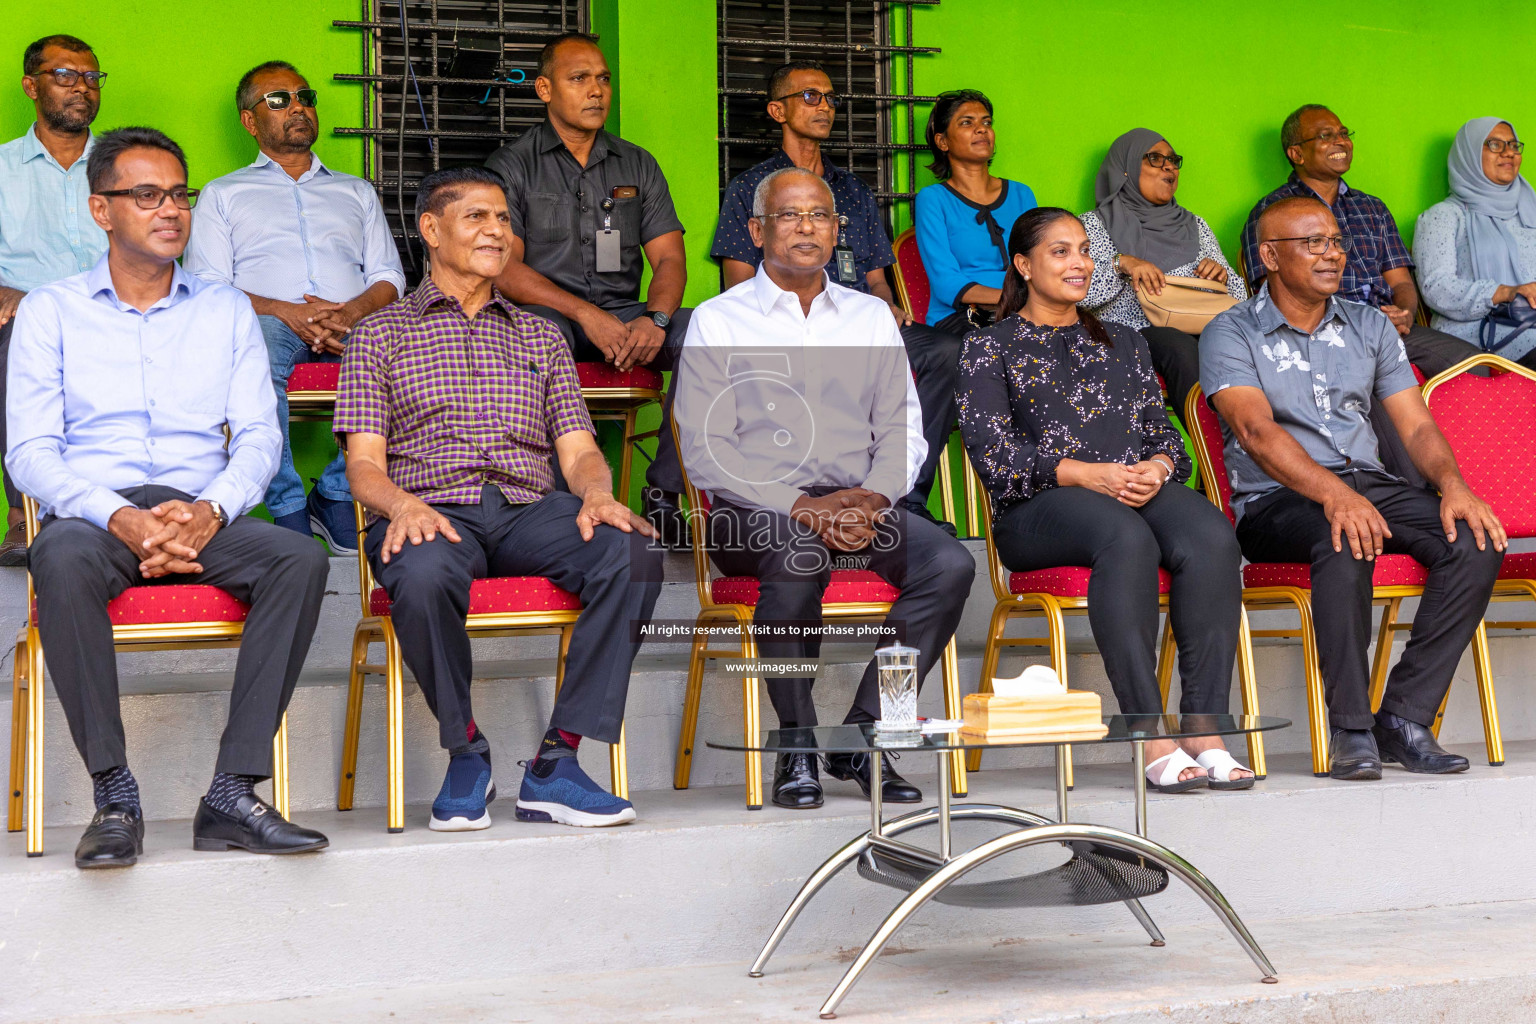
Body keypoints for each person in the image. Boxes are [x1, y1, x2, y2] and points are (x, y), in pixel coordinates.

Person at [7, 127, 331, 868]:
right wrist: (116, 514)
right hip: (96, 510)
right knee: (58, 559)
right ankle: (115, 795)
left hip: (197, 508)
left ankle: (232, 793)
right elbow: (29, 451)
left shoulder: (226, 311)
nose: (171, 210)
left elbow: (257, 436)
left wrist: (212, 509)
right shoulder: (52, 312)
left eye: (180, 194)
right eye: (147, 195)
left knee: (299, 559)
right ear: (101, 210)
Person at [334, 166, 663, 832]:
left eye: (503, 220)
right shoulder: (380, 335)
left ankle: (557, 762)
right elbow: (363, 467)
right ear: (431, 229)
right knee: (422, 576)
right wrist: (401, 506)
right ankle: (465, 751)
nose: (495, 231)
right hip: (429, 511)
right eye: (477, 217)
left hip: (524, 511)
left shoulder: (540, 334)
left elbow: (578, 450)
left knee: (631, 554)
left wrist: (597, 493)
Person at [676, 166, 976, 810]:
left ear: (838, 231)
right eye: (789, 215)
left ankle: (869, 729)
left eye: (819, 215)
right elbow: (705, 450)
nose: (806, 226)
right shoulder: (719, 321)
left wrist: (873, 498)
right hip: (756, 509)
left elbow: (902, 425)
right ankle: (798, 742)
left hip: (857, 501)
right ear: (757, 231)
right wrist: (802, 509)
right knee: (795, 554)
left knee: (947, 563)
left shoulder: (868, 317)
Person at [1203, 196, 1506, 781]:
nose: (1333, 254)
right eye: (1313, 242)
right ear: (1269, 255)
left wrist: (1454, 486)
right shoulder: (1231, 330)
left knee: (1475, 538)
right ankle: (1351, 727)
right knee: (1345, 535)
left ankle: (1404, 717)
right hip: (1275, 500)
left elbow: (1414, 423)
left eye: (1337, 241)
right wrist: (1332, 495)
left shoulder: (1369, 325)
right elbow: (1255, 431)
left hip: (1369, 485)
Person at [958, 207, 1252, 792]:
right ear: (1024, 264)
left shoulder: (1124, 341)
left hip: (1128, 492)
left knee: (1212, 535)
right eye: (1060, 251)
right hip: (1036, 512)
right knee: (1125, 535)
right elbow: (997, 461)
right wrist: (1082, 474)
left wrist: (1159, 465)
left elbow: (1165, 432)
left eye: (1084, 251)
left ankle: (1203, 725)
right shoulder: (989, 348)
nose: (1080, 263)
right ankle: (1148, 729)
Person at [712, 60, 959, 535]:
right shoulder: (753, 189)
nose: (824, 106)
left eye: (830, 98)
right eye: (810, 96)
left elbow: (877, 279)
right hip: (785, 324)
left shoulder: (854, 190)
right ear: (776, 110)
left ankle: (901, 497)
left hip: (860, 325)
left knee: (945, 351)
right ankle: (802, 497)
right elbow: (737, 282)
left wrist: (885, 304)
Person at [185, 61, 405, 555]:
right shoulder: (224, 194)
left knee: (409, 349)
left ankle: (335, 495)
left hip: (353, 323)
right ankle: (285, 507)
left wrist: (349, 314)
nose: (298, 107)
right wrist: (287, 312)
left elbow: (390, 277)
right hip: (267, 324)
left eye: (304, 96)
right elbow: (205, 284)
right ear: (250, 121)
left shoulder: (355, 191)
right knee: (256, 347)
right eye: (279, 100)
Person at [484, 32, 691, 547]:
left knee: (705, 333)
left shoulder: (637, 164)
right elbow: (505, 270)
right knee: (537, 331)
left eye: (603, 78)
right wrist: (585, 315)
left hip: (626, 315)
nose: (596, 90)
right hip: (546, 313)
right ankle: (555, 506)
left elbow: (668, 257)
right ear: (545, 89)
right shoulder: (512, 165)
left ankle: (665, 494)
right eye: (580, 79)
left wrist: (657, 319)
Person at [1241, 105, 1479, 380]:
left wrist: (1404, 314)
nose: (1341, 141)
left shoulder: (1372, 208)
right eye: (1326, 136)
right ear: (1296, 153)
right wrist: (1358, 324)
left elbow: (1401, 282)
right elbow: (1272, 294)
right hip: (1320, 337)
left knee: (1475, 365)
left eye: (1343, 133)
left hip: (1388, 329)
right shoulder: (1272, 212)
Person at [0, 34, 110, 566]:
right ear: (30, 86)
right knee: (18, 340)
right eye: (65, 76)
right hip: (25, 315)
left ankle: (144, 502)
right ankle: (26, 512)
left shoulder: (123, 165)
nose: (82, 88)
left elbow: (162, 247)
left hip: (116, 306)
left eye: (91, 77)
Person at [1081, 128, 1246, 419]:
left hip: (1201, 325)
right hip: (1129, 334)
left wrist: (1222, 275)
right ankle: (1214, 452)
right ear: (1126, 169)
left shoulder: (1193, 224)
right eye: (1155, 159)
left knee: (1237, 343)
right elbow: (1080, 294)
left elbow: (1240, 299)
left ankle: (1250, 443)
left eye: (1172, 160)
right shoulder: (1092, 226)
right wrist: (1122, 264)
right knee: (1176, 344)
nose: (1169, 166)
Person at [1414, 118, 1536, 365]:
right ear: (1467, 154)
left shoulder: (1530, 210)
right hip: (1476, 330)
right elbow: (1436, 288)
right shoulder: (1443, 216)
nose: (1508, 153)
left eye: (1513, 145)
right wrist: (1503, 292)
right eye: (1494, 145)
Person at [912, 89, 1036, 332]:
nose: (982, 129)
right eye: (967, 122)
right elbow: (946, 283)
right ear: (942, 141)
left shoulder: (1022, 194)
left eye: (986, 122)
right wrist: (1015, 300)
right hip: (961, 318)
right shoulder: (933, 200)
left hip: (1024, 312)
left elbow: (1041, 263)